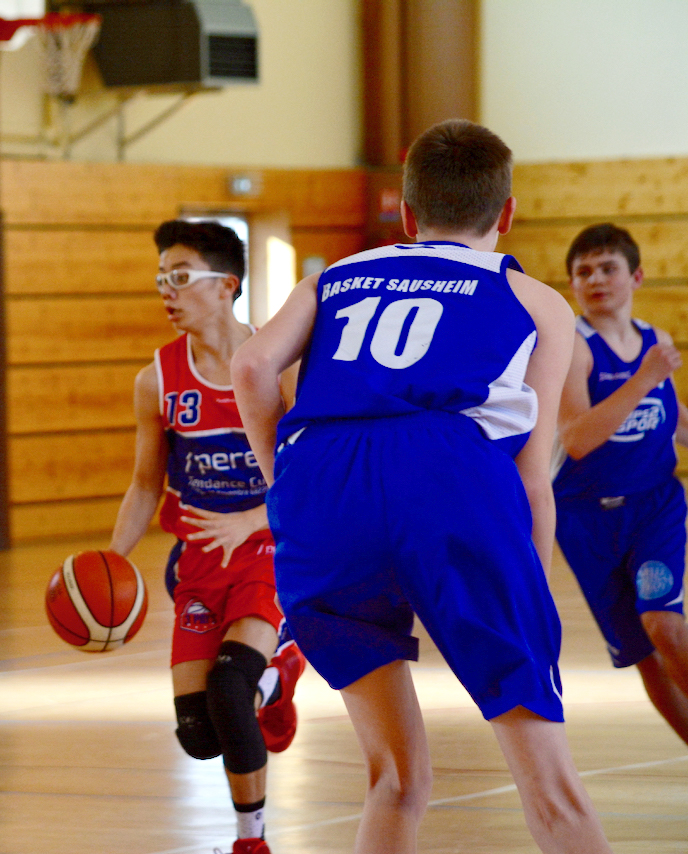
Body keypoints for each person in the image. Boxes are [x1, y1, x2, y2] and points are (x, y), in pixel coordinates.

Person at [231, 120, 614, 853]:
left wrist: (287, 486)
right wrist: (528, 594)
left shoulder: (334, 277)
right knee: (551, 787)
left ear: (406, 215)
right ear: (506, 213)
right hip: (447, 471)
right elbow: (532, 475)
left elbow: (250, 368)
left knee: (396, 777)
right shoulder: (536, 300)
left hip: (323, 477)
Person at [108, 220, 305, 854]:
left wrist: (250, 521)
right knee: (199, 733)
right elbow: (145, 485)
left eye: (181, 276)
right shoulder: (157, 381)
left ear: (227, 285)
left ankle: (251, 842)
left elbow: (310, 476)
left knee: (228, 688)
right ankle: (273, 684)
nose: (167, 290)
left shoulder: (281, 366)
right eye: (161, 278)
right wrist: (111, 561)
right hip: (198, 560)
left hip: (270, 550)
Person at [553, 223, 688, 745]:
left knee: (663, 625)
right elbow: (578, 438)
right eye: (583, 271)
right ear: (572, 284)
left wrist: (651, 380)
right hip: (586, 519)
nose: (595, 279)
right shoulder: (574, 348)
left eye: (607, 268)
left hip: (652, 507)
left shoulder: (656, 342)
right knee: (643, 657)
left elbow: (671, 415)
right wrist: (643, 379)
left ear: (636, 276)